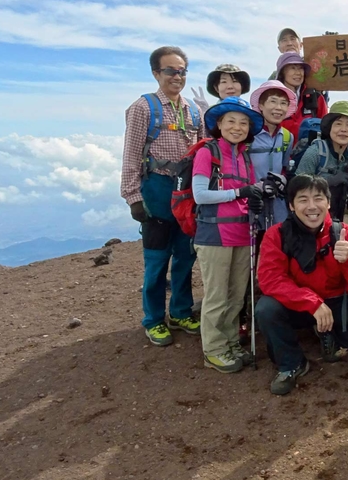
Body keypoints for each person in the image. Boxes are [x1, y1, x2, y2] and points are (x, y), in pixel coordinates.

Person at [255, 174, 348, 395]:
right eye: (303, 199)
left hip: (338, 300)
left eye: (318, 198)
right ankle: (292, 363)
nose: (311, 206)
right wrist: (313, 303)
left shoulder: (346, 234)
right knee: (266, 309)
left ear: (328, 203)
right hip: (298, 304)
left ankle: (328, 333)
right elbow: (271, 279)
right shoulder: (277, 235)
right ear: (291, 205)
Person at [120, 46, 204, 346]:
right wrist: (133, 197)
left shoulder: (194, 111)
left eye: (182, 71)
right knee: (156, 260)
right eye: (170, 71)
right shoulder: (143, 108)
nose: (177, 77)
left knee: (185, 256)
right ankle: (153, 319)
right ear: (156, 73)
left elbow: (203, 151)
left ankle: (181, 312)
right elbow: (131, 155)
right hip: (156, 188)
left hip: (186, 192)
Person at [191, 97, 265, 372]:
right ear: (219, 124)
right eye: (231, 121)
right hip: (214, 235)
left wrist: (254, 196)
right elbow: (200, 194)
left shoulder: (244, 156)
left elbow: (247, 192)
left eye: (243, 122)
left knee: (235, 296)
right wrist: (238, 193)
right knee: (217, 297)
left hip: (243, 233)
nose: (237, 127)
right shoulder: (207, 152)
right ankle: (214, 350)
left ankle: (231, 343)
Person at [295, 100, 348, 221]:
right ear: (329, 128)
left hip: (336, 218)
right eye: (338, 124)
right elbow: (297, 186)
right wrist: (330, 180)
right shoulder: (316, 151)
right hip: (308, 217)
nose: (343, 129)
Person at [249, 80, 297, 231]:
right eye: (273, 102)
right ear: (261, 106)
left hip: (277, 205)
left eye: (283, 103)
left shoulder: (288, 137)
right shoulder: (247, 135)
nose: (278, 108)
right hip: (249, 203)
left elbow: (284, 169)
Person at [276, 52, 329, 143]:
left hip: (310, 155)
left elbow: (326, 128)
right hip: (279, 154)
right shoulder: (273, 98)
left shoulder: (316, 98)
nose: (298, 73)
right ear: (282, 72)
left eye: (301, 68)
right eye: (292, 68)